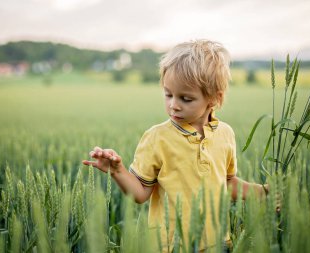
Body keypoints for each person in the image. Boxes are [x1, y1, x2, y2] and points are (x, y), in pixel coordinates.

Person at [82, 39, 268, 252]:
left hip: (219, 244)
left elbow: (226, 183)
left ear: (214, 99)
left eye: (186, 99)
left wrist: (261, 192)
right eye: (168, 94)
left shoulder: (225, 134)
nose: (173, 105)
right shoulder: (157, 138)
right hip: (171, 246)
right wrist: (117, 171)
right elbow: (141, 194)